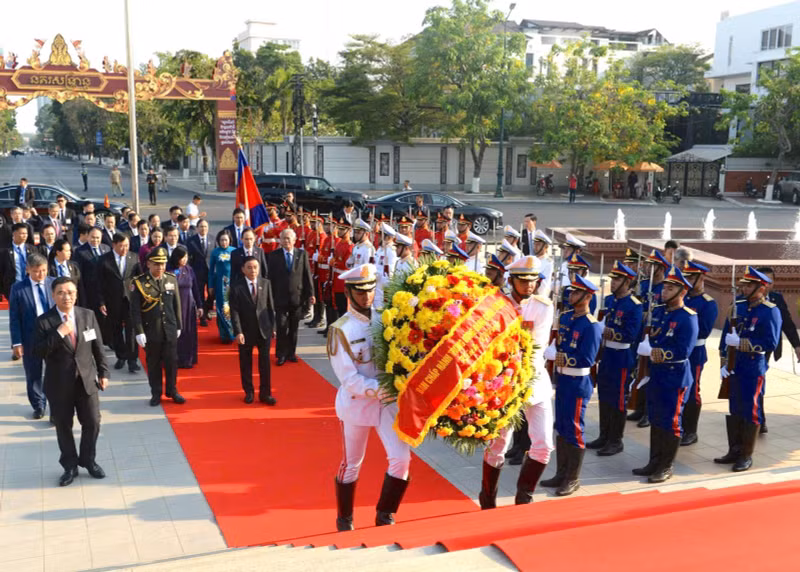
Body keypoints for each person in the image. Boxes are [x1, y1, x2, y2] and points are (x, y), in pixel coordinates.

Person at [330, 264, 411, 530]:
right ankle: (345, 518)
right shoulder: (340, 329)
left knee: (401, 459)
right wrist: (382, 388)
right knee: (351, 464)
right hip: (357, 405)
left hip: (387, 405)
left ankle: (385, 514)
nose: (367, 296)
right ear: (349, 292)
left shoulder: (385, 318)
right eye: (360, 291)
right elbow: (349, 379)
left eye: (370, 289)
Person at [480, 256, 554, 507]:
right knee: (498, 444)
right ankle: (488, 498)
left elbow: (537, 347)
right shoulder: (495, 305)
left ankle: (524, 497)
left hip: (533, 380)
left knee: (543, 444)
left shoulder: (543, 307)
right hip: (504, 382)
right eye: (523, 281)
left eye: (533, 281)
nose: (529, 286)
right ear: (511, 280)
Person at [34, 277, 109, 487]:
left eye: (70, 292)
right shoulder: (44, 321)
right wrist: (59, 333)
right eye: (61, 292)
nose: (66, 296)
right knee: (64, 426)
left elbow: (98, 347)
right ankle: (70, 465)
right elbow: (38, 351)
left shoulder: (87, 315)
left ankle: (88, 460)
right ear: (53, 295)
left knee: (93, 421)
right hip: (59, 384)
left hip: (86, 380)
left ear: (76, 294)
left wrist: (104, 373)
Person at [632, 266, 698, 483]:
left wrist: (653, 352)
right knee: (656, 418)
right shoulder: (659, 312)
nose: (664, 291)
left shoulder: (688, 317)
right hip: (657, 375)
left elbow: (683, 351)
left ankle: (666, 466)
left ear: (682, 292)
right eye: (665, 287)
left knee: (671, 421)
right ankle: (654, 461)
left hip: (674, 376)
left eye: (670, 289)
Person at [541, 274, 602, 496]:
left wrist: (559, 357)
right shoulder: (566, 318)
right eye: (572, 291)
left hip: (578, 381)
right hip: (564, 380)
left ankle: (572, 478)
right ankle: (561, 473)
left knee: (575, 428)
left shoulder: (591, 325)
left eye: (576, 293)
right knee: (562, 426)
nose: (571, 295)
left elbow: (588, 358)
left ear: (587, 297)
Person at [716, 267, 781, 472]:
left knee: (750, 410)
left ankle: (746, 455)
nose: (744, 288)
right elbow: (726, 337)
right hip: (735, 366)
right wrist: (724, 362)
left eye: (749, 285)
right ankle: (734, 450)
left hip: (753, 367)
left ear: (761, 288)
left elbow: (770, 342)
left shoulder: (770, 310)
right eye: (744, 284)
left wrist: (743, 342)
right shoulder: (738, 307)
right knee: (734, 408)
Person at [588, 261, 642, 456]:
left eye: (617, 279)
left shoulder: (634, 305)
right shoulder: (610, 301)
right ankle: (604, 435)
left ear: (628, 282)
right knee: (604, 395)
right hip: (607, 355)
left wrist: (607, 331)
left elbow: (630, 334)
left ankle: (615, 440)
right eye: (613, 279)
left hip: (621, 356)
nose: (613, 282)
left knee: (618, 399)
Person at [131, 247, 184, 406]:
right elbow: (135, 310)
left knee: (171, 362)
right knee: (153, 364)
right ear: (148, 264)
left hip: (170, 329)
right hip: (151, 330)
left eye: (162, 264)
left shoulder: (171, 279)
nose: (160, 267)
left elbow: (177, 304)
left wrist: (179, 325)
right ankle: (156, 393)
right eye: (156, 264)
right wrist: (139, 331)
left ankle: (172, 390)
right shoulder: (139, 283)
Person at [627, 249, 669, 428]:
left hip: (655, 333)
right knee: (640, 369)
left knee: (650, 372)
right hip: (639, 332)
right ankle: (640, 406)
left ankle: (649, 413)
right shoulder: (643, 284)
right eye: (647, 265)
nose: (647, 268)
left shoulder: (666, 287)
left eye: (652, 266)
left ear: (660, 268)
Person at [10, 254, 55, 418]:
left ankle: (56, 405)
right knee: (33, 373)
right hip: (31, 337)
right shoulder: (18, 288)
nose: (40, 274)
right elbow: (14, 317)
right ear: (27, 270)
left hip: (53, 335)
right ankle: (39, 405)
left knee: (55, 371)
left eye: (43, 270)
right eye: (36, 271)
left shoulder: (54, 283)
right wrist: (17, 343)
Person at [757, 266, 800, 433]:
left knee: (759, 381)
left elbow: (787, 323)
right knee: (755, 383)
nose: (767, 285)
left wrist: (797, 345)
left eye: (770, 281)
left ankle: (759, 419)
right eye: (763, 281)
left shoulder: (776, 298)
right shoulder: (743, 300)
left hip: (767, 348)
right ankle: (758, 418)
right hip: (749, 348)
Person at [680, 261, 718, 446]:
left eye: (690, 277)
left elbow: (703, 331)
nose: (686, 280)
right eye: (685, 276)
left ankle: (691, 431)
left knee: (693, 390)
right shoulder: (683, 299)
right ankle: (679, 426)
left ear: (701, 278)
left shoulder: (707, 304)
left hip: (695, 352)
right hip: (678, 351)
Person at [230, 256, 276, 405]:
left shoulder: (266, 283)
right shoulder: (236, 287)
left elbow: (270, 308)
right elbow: (234, 311)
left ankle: (265, 393)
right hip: (246, 330)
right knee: (245, 363)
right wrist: (238, 331)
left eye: (255, 267)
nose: (253, 270)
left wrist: (273, 327)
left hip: (264, 329)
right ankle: (249, 392)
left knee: (265, 363)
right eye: (249, 267)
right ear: (243, 269)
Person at [267, 228, 314, 365]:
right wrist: (269, 296)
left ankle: (291, 353)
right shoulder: (274, 255)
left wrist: (311, 294)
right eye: (283, 238)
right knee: (281, 326)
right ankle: (280, 354)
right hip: (280, 297)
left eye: (289, 238)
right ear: (280, 240)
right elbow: (270, 277)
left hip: (297, 297)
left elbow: (307, 275)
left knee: (294, 327)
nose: (286, 241)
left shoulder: (302, 254)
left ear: (294, 240)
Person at [97, 233, 142, 373]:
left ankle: (133, 360)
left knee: (132, 330)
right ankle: (121, 356)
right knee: (116, 330)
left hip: (130, 300)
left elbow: (140, 278)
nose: (124, 248)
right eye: (121, 245)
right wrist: (101, 301)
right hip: (112, 300)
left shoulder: (134, 257)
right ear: (114, 245)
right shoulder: (103, 260)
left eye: (127, 245)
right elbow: (98, 283)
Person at [168, 246, 201, 369]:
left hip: (188, 304)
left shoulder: (189, 269)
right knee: (176, 332)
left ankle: (188, 359)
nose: (185, 259)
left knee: (188, 332)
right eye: (183, 257)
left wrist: (200, 305)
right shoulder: (169, 270)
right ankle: (174, 358)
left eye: (186, 257)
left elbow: (195, 288)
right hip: (174, 305)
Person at [209, 230, 235, 343]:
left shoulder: (234, 251)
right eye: (221, 240)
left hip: (232, 283)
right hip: (220, 283)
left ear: (229, 240)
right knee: (222, 307)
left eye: (226, 240)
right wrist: (210, 285)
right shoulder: (215, 252)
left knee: (232, 307)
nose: (224, 242)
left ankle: (233, 333)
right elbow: (210, 271)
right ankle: (224, 334)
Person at [1, 223, 38, 300]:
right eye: (22, 233)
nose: (25, 236)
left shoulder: (32, 249)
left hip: (30, 286)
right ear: (14, 233)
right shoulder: (5, 251)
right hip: (12, 288)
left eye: (26, 233)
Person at [187, 219, 213, 327]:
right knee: (200, 294)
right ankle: (202, 317)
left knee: (212, 294)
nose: (203, 229)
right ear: (197, 228)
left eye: (205, 227)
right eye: (201, 227)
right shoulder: (191, 241)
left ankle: (207, 309)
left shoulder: (212, 238)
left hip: (210, 271)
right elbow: (189, 258)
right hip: (198, 272)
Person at [316, 217, 338, 335]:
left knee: (331, 302)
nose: (326, 227)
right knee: (326, 301)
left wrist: (325, 259)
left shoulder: (336, 240)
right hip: (324, 273)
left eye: (330, 225)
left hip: (331, 274)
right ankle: (327, 325)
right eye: (326, 225)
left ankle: (331, 327)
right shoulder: (328, 239)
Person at [330, 219, 354, 323]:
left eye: (342, 229)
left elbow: (346, 265)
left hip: (343, 280)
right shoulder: (339, 243)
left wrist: (334, 263)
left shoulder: (350, 246)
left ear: (348, 231)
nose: (339, 231)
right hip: (336, 279)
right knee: (337, 307)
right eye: (339, 228)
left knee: (343, 308)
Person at [49, 239, 84, 304]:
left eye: (70, 250)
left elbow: (80, 286)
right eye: (67, 251)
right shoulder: (48, 267)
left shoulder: (74, 266)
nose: (70, 253)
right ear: (58, 252)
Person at [374, 222, 397, 310]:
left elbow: (390, 273)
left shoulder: (391, 251)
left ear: (388, 237)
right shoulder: (380, 249)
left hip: (384, 288)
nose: (378, 237)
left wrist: (378, 275)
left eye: (381, 235)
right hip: (376, 286)